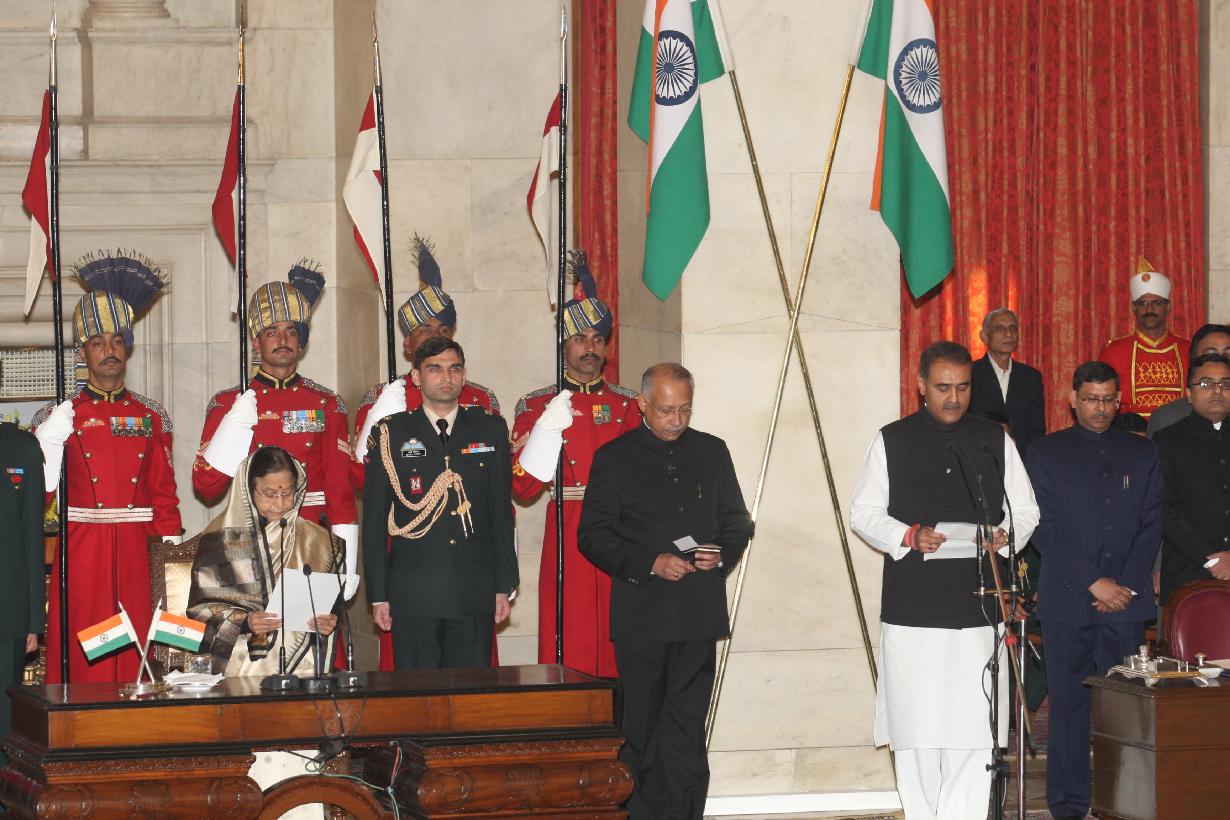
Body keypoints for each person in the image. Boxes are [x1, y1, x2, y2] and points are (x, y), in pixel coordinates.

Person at [851, 341, 1039, 820]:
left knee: (972, 730)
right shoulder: (891, 439)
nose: (954, 398)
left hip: (978, 610)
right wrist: (908, 535)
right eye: (942, 388)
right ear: (921, 386)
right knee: (916, 728)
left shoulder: (994, 440)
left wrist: (1004, 536)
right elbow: (864, 513)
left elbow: (1026, 510)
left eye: (962, 387)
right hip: (913, 610)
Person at [578, 363, 752, 820]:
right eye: (666, 410)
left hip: (697, 612)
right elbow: (592, 535)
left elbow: (738, 521)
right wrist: (650, 562)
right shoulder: (614, 457)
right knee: (642, 727)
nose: (676, 420)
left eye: (685, 410)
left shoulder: (712, 450)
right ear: (642, 404)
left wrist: (722, 552)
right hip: (643, 615)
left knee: (687, 729)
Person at [350, 237, 500, 671]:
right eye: (423, 331)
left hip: (469, 564)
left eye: (443, 331)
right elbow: (363, 486)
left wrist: (501, 577)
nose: (434, 338)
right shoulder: (382, 403)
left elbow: (496, 497)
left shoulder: (482, 402)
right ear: (408, 347)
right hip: (414, 564)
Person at [32, 251, 182, 684]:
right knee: (89, 643)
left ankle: (137, 714)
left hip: (137, 549)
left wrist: (171, 556)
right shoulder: (58, 416)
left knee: (139, 641)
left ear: (127, 347)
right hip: (84, 548)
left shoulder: (152, 415)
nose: (109, 351)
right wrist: (47, 442)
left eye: (117, 341)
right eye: (98, 342)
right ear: (83, 351)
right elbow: (39, 496)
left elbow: (164, 493)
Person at [1025, 362, 1162, 820]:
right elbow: (1043, 527)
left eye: (1107, 400)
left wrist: (1123, 588)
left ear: (1119, 401)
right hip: (1068, 600)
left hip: (1125, 604)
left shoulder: (1143, 453)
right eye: (1090, 399)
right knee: (1068, 706)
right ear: (1073, 399)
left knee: (1123, 710)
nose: (1099, 408)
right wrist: (1094, 582)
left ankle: (1120, 800)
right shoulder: (1045, 453)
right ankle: (1068, 804)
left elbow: (1152, 524)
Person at [193, 262, 359, 600]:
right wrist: (234, 427)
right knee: (252, 630)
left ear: (301, 340)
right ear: (255, 342)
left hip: (310, 538)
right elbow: (205, 486)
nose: (283, 340)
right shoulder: (228, 403)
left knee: (309, 631)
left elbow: (340, 492)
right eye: (271, 332)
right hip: (247, 541)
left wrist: (347, 561)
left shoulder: (326, 403)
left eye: (291, 331)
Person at [511, 250, 640, 677]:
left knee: (619, 633)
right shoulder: (537, 405)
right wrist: (546, 430)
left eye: (598, 339)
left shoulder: (627, 405)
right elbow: (523, 486)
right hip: (566, 524)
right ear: (564, 343)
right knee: (570, 631)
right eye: (581, 338)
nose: (590, 348)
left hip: (619, 528)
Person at [362, 337, 517, 669]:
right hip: (414, 591)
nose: (446, 377)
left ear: (464, 375)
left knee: (470, 691)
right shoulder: (391, 433)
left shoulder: (490, 429)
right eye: (435, 369)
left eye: (454, 369)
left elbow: (501, 514)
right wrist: (378, 595)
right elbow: (374, 522)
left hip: (473, 589)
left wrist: (503, 585)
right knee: (418, 694)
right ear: (416, 377)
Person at [187, 446, 340, 676]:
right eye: (270, 494)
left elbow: (327, 604)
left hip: (302, 659)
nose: (280, 504)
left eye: (288, 493)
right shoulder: (220, 540)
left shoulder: (316, 540)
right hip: (239, 659)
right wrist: (245, 622)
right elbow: (200, 613)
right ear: (248, 491)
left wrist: (328, 621)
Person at [1153, 353, 1230, 604]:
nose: (1217, 391)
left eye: (1226, 384)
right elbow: (1165, 509)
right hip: (1188, 572)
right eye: (1206, 384)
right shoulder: (1168, 440)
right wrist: (1212, 559)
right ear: (1188, 393)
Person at [0, 421, 45, 754]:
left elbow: (32, 535)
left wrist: (33, 622)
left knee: (4, 720)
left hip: (8, 609)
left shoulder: (20, 446)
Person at [1098, 258, 1190, 418]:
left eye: (1156, 303)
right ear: (1134, 308)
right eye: (1143, 304)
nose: (1149, 309)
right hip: (1128, 431)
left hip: (1178, 430)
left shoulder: (1187, 349)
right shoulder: (1114, 352)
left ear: (1168, 307)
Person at [969, 307, 1046, 453]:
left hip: (1021, 460)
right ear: (984, 336)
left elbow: (1037, 431)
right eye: (1000, 328)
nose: (1009, 334)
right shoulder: (970, 374)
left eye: (1013, 328)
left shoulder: (1031, 377)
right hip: (979, 458)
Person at [1146, 323, 1230, 437]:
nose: (1221, 361)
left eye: (1228, 354)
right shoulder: (1169, 417)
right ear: (1193, 360)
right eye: (1211, 355)